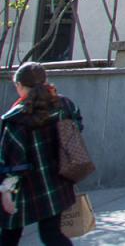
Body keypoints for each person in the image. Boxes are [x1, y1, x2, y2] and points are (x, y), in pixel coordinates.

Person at [0, 63, 83, 246]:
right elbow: (76, 129)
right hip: (57, 182)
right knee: (51, 234)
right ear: (46, 81)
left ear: (20, 86)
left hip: (23, 188)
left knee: (9, 236)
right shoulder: (64, 104)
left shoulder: (15, 119)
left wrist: (6, 191)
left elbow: (13, 161)